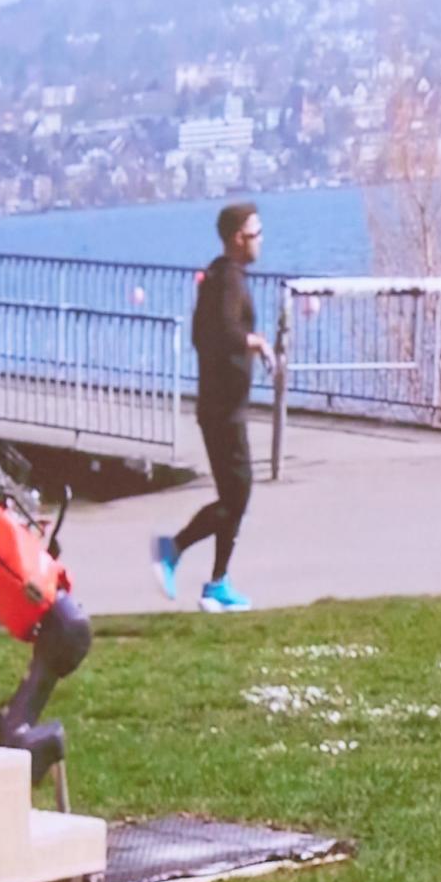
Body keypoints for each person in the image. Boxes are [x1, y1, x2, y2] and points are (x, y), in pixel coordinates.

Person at [153, 202, 269, 612]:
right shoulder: (228, 282)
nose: (261, 241)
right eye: (256, 234)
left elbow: (204, 336)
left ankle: (218, 583)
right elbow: (223, 332)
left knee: (233, 495)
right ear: (238, 238)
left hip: (219, 405)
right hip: (223, 410)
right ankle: (174, 549)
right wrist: (258, 342)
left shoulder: (218, 277)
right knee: (238, 495)